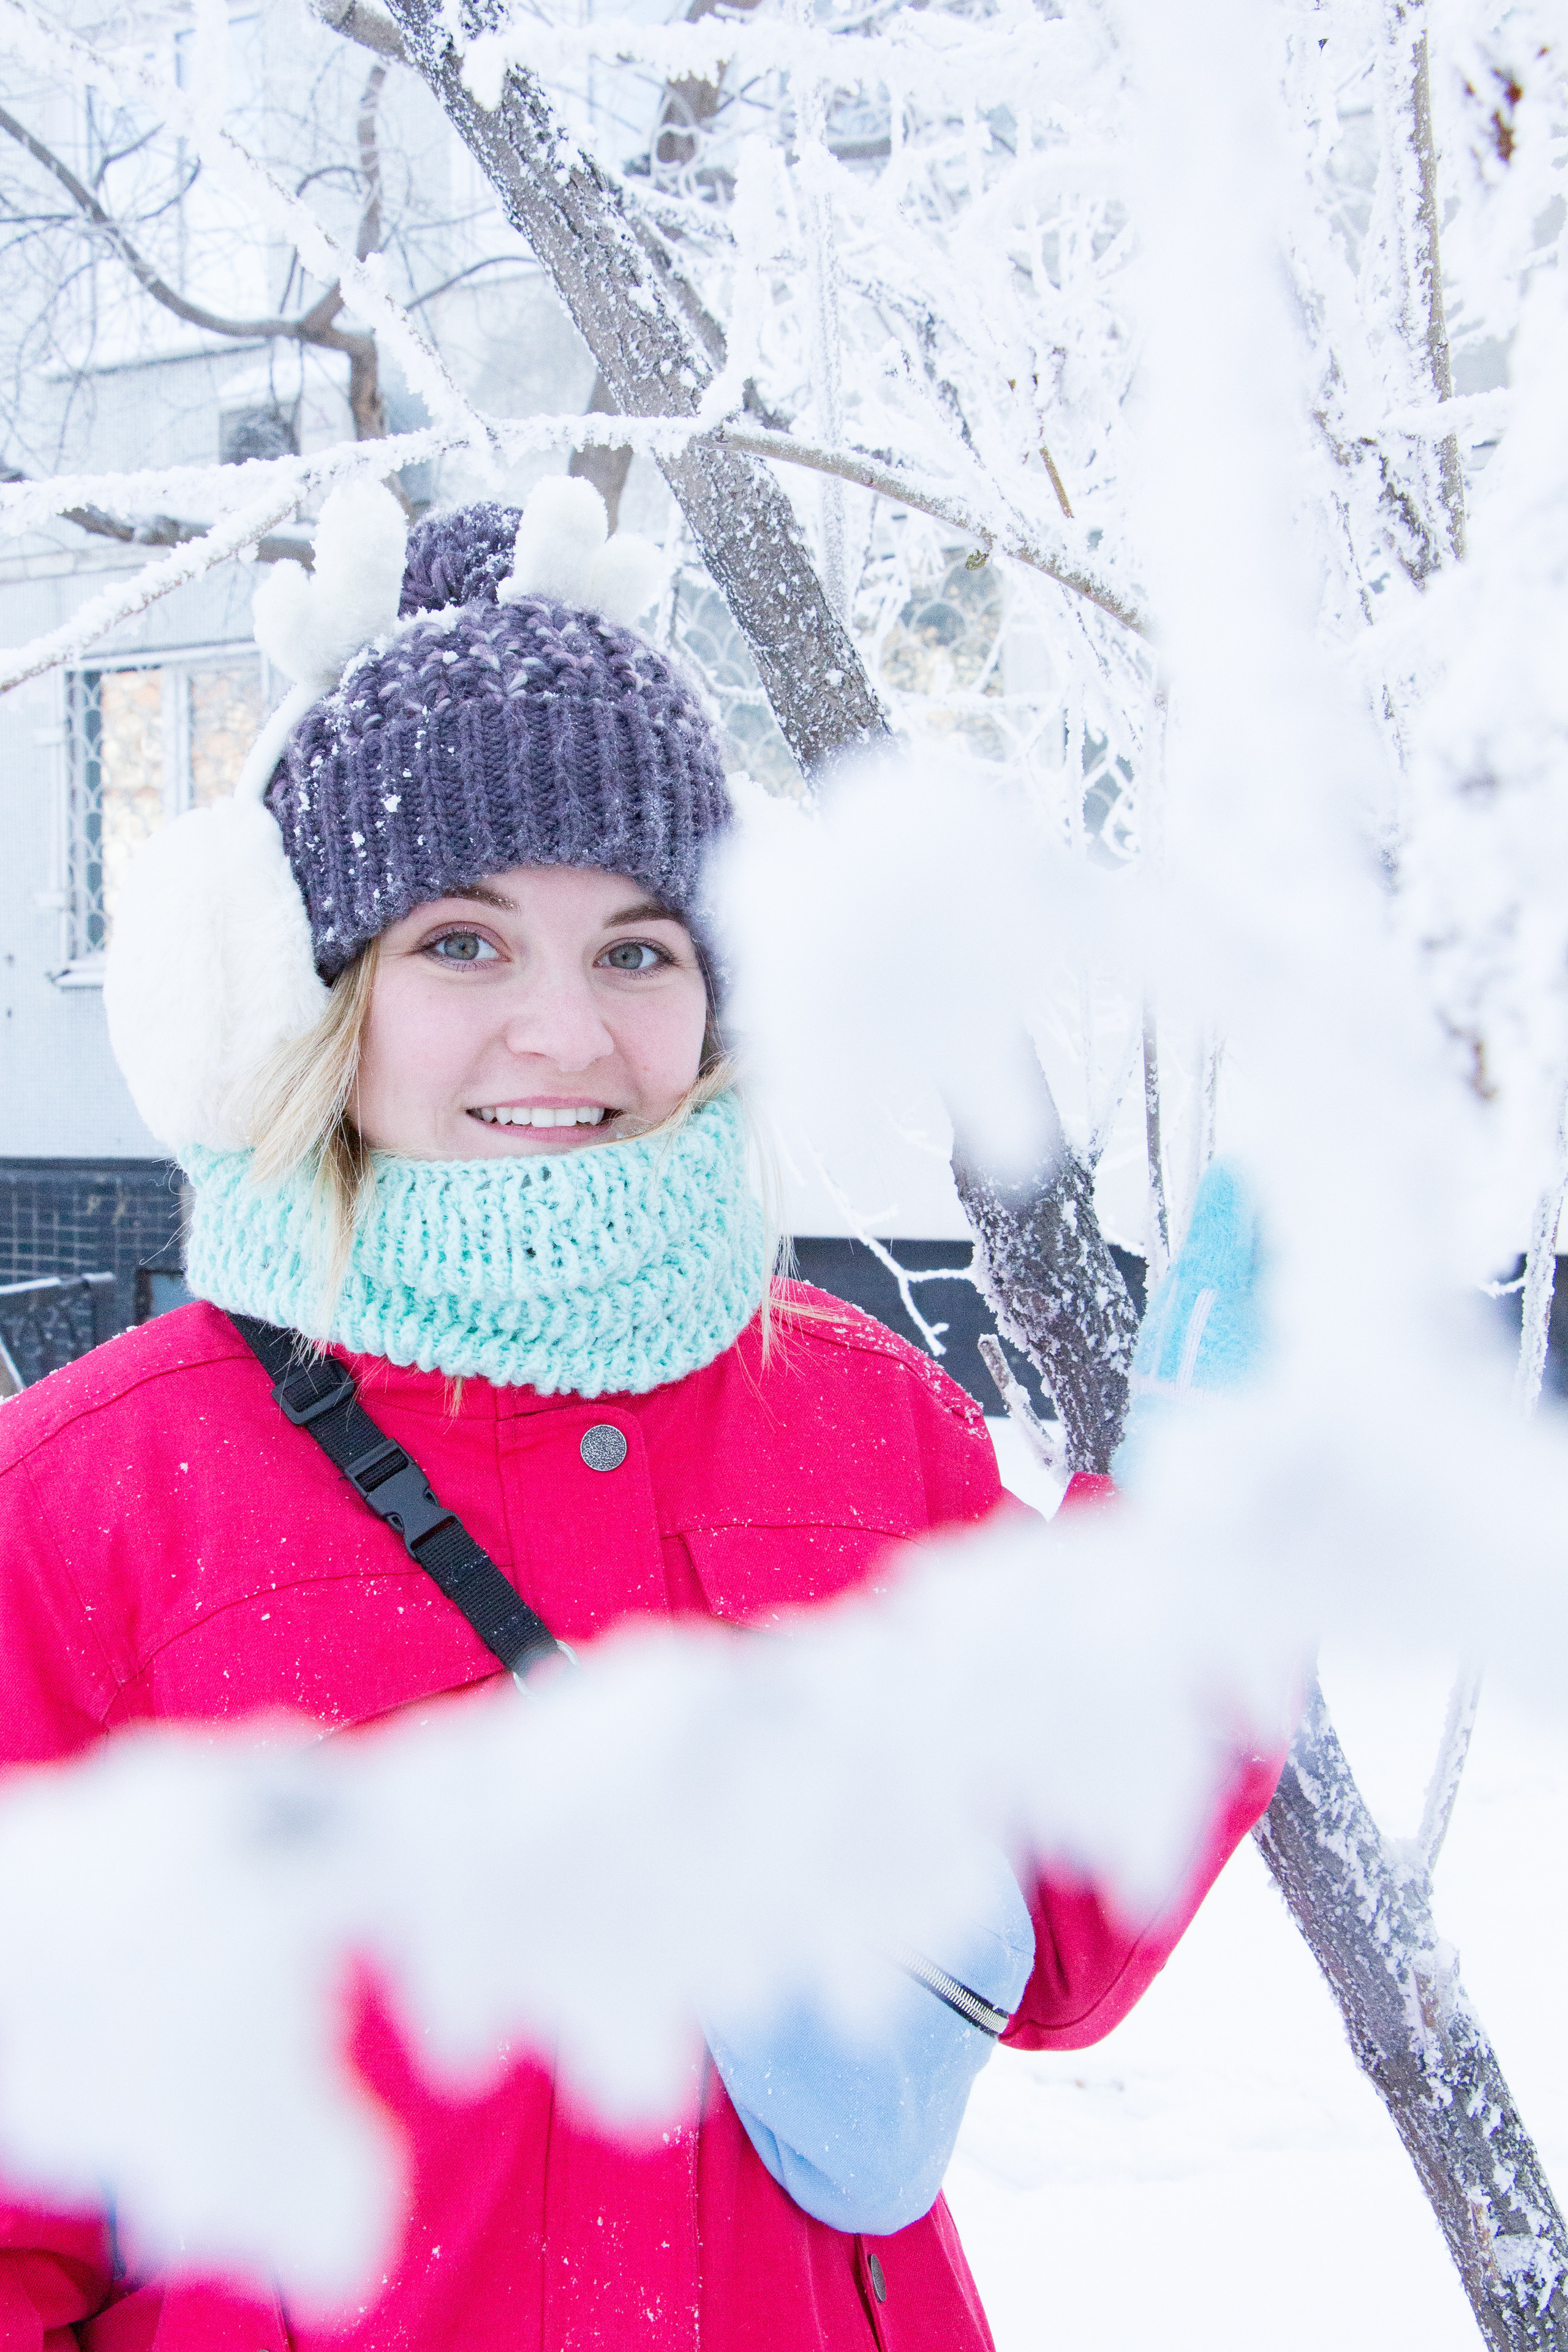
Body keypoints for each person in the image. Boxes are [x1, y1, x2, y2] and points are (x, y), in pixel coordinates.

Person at [0, 479, 1280, 2352]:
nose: (565, 1032)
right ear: (308, 992)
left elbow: (1039, 1936)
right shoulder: (93, 1501)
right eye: (460, 941)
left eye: (635, 948)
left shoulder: (867, 1428)